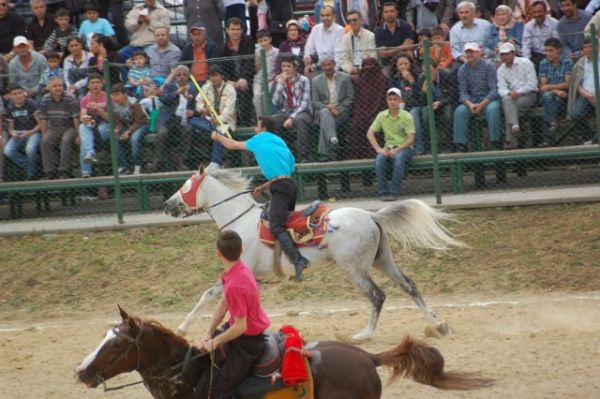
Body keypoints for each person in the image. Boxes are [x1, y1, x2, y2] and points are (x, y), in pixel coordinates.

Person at [210, 116, 310, 282]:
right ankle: (284, 257)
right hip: (289, 185)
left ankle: (299, 260)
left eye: (257, 126)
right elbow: (288, 169)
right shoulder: (279, 141)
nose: (255, 129)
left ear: (263, 128)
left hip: (280, 187)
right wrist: (264, 187)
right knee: (283, 221)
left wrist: (217, 136)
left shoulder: (259, 139)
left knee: (276, 225)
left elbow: (232, 145)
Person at [198, 230, 270, 398]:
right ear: (241, 250)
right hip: (237, 333)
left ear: (218, 254)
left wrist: (215, 341)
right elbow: (223, 304)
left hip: (248, 343)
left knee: (219, 389)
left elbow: (240, 326)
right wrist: (209, 331)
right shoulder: (236, 272)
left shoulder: (235, 285)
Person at [366, 87, 415, 201]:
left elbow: (411, 139)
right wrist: (378, 149)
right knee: (379, 161)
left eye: (395, 99)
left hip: (404, 148)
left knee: (399, 161)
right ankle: (383, 192)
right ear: (387, 101)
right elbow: (370, 133)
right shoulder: (382, 115)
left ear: (400, 101)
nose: (392, 101)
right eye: (390, 99)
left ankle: (394, 192)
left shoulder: (407, 116)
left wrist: (397, 149)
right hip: (388, 147)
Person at [453, 42, 502, 152]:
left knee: (493, 109)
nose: (469, 55)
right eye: (467, 52)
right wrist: (470, 105)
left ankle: (495, 142)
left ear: (478, 53)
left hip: (488, 100)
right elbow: (463, 92)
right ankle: (461, 144)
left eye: (472, 52)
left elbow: (494, 90)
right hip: (471, 101)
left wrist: (482, 104)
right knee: (459, 111)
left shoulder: (489, 66)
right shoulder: (462, 70)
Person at [148, 65, 197, 172]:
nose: (181, 77)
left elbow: (196, 105)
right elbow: (163, 99)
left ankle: (180, 160)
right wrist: (177, 92)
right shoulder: (169, 87)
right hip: (168, 119)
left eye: (184, 75)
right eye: (178, 75)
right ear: (175, 76)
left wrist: (193, 112)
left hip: (182, 120)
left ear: (188, 76)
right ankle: (157, 162)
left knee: (188, 129)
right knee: (162, 133)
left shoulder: (193, 88)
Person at [189, 64, 237, 171]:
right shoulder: (206, 87)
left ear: (222, 76)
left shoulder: (230, 90)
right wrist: (203, 109)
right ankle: (214, 131)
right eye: (211, 76)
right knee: (193, 121)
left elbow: (229, 110)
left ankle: (215, 162)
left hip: (225, 122)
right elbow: (198, 103)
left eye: (215, 75)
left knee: (219, 131)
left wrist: (219, 119)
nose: (213, 78)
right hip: (209, 119)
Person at [78, 73, 127, 177]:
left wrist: (99, 109)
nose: (95, 85)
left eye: (97, 82)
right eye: (92, 83)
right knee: (83, 128)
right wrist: (85, 118)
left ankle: (89, 157)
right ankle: (86, 169)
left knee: (97, 132)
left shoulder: (108, 98)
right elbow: (83, 115)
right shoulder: (84, 99)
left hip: (106, 124)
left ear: (102, 84)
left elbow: (111, 119)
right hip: (92, 123)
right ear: (88, 86)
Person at [271, 56, 313, 163]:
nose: (285, 69)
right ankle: (286, 151)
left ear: (295, 68)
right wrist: (280, 83)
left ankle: (304, 156)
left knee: (299, 120)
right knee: (271, 121)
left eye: (288, 66)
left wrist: (291, 118)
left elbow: (304, 103)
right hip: (287, 111)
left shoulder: (304, 80)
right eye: (283, 66)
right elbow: (275, 102)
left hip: (303, 112)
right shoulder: (281, 80)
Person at [312, 55, 354, 162]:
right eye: (324, 65)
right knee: (326, 113)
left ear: (334, 65)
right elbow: (315, 102)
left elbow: (350, 97)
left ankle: (323, 154)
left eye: (329, 64)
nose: (327, 67)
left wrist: (339, 109)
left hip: (341, 113)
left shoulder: (345, 78)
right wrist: (328, 107)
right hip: (323, 111)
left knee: (325, 123)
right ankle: (332, 137)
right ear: (321, 67)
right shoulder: (316, 80)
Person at [497, 42, 538, 150]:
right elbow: (501, 89)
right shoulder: (500, 70)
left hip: (528, 95)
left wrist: (518, 92)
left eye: (506, 54)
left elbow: (532, 85)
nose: (504, 57)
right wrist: (509, 93)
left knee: (508, 105)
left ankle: (510, 141)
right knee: (507, 100)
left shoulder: (526, 63)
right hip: (511, 98)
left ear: (513, 53)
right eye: (502, 54)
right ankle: (514, 127)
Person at [39, 76, 79, 179]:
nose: (58, 88)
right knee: (45, 141)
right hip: (54, 128)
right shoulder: (45, 99)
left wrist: (78, 135)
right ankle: (49, 172)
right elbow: (43, 119)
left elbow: (76, 118)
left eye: (60, 86)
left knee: (65, 140)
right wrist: (44, 134)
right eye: (55, 86)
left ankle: (64, 171)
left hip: (69, 127)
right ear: (49, 88)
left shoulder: (70, 98)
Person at [349, 57, 388, 160]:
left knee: (375, 125)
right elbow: (357, 100)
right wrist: (361, 113)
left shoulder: (383, 80)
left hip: (378, 112)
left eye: (371, 67)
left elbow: (383, 100)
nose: (369, 69)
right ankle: (358, 158)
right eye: (366, 67)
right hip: (361, 112)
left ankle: (375, 156)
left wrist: (373, 112)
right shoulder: (360, 81)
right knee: (356, 125)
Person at [389, 53, 426, 154]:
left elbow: (421, 96)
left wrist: (411, 80)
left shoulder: (418, 76)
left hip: (416, 105)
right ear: (396, 66)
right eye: (400, 64)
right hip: (401, 106)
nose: (403, 66)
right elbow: (392, 95)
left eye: (406, 63)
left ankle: (419, 148)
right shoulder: (394, 79)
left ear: (410, 64)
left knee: (413, 114)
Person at [220, 17, 255, 126]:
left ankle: (246, 124)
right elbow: (222, 68)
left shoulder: (248, 41)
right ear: (227, 30)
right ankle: (234, 125)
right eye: (232, 29)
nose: (235, 32)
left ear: (242, 30)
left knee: (245, 94)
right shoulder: (223, 48)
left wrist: (244, 78)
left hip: (248, 78)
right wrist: (228, 81)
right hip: (231, 81)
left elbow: (250, 62)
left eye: (238, 29)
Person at [3, 84, 41, 180]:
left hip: (33, 131)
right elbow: (10, 128)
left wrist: (29, 133)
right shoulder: (10, 107)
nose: (18, 96)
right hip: (19, 133)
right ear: (10, 96)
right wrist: (13, 133)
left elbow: (40, 124)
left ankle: (32, 174)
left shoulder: (31, 104)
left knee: (30, 149)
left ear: (24, 93)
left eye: (20, 93)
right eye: (14, 94)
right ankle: (32, 167)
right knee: (8, 151)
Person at [538, 37, 572, 147]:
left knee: (550, 98)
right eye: (546, 50)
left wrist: (552, 88)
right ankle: (552, 125)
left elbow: (567, 84)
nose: (548, 53)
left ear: (559, 50)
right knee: (548, 96)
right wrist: (556, 90)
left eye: (551, 50)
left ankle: (547, 138)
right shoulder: (543, 63)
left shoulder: (567, 62)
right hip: (552, 96)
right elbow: (543, 86)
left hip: (565, 97)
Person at [110, 83, 149, 175]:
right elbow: (119, 122)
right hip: (128, 126)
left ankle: (138, 166)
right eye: (114, 95)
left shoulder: (134, 103)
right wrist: (117, 129)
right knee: (114, 137)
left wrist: (128, 132)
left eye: (118, 94)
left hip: (142, 125)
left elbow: (139, 121)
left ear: (125, 94)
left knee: (134, 139)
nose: (116, 98)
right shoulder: (114, 107)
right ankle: (123, 166)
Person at [567, 37, 599, 145]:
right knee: (576, 114)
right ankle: (589, 137)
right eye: (585, 47)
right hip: (586, 95)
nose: (588, 49)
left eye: (590, 46)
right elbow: (577, 84)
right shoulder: (579, 64)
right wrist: (587, 95)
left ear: (598, 47)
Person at [119, 0, 170, 64]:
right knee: (121, 54)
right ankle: (130, 74)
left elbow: (166, 28)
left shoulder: (162, 11)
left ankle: (145, 74)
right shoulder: (136, 9)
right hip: (135, 44)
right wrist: (138, 22)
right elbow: (128, 26)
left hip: (152, 44)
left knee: (144, 56)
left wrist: (149, 22)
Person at [303, 5, 345, 75]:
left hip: (335, 68)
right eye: (322, 15)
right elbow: (308, 48)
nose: (325, 18)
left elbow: (339, 54)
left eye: (328, 15)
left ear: (334, 16)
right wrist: (307, 63)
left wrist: (333, 71)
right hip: (319, 67)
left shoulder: (340, 30)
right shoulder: (316, 29)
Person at [375, 1, 416, 71]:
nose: (389, 14)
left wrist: (390, 51)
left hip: (404, 62)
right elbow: (382, 54)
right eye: (386, 12)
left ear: (397, 13)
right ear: (382, 14)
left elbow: (409, 48)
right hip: (388, 64)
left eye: (391, 11)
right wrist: (402, 47)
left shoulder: (406, 26)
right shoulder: (379, 30)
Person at [338, 10, 377, 77]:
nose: (352, 22)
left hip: (367, 71)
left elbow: (373, 57)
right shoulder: (345, 38)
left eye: (354, 20)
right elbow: (343, 59)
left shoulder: (370, 36)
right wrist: (350, 69)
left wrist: (360, 69)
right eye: (349, 21)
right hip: (350, 72)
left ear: (361, 20)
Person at [522, 1, 559, 69]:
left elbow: (556, 43)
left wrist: (551, 57)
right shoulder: (528, 26)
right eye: (534, 12)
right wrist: (527, 61)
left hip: (550, 55)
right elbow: (526, 46)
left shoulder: (554, 23)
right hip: (535, 56)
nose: (537, 14)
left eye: (539, 11)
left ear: (545, 11)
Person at [252, 30, 278, 119]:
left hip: (271, 79)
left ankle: (268, 119)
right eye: (260, 41)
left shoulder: (276, 52)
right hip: (259, 80)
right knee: (257, 97)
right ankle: (260, 119)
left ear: (270, 39)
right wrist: (259, 60)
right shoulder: (257, 51)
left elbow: (277, 68)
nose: (263, 43)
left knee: (265, 96)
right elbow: (256, 69)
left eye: (265, 40)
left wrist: (272, 78)